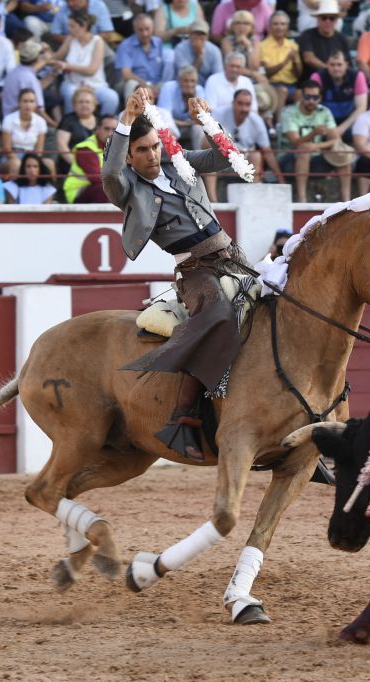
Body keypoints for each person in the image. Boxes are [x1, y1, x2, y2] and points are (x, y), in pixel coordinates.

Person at [103, 88, 245, 459]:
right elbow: (109, 170)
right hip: (196, 271)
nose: (153, 155)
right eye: (143, 151)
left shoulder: (177, 160)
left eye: (154, 146)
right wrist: (127, 120)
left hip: (233, 258)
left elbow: (225, 157)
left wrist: (208, 122)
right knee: (217, 316)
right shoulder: (127, 188)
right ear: (130, 159)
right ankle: (182, 417)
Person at [278, 79, 353, 203]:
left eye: (315, 97)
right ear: (301, 96)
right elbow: (295, 142)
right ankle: (302, 199)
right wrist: (313, 134)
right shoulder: (289, 112)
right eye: (307, 97)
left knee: (342, 154)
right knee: (304, 150)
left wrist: (316, 146)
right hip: (288, 158)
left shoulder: (324, 112)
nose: (311, 101)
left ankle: (347, 201)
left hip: (315, 155)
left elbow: (336, 140)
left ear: (320, 98)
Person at [204, 89, 283, 200]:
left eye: (247, 104)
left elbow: (267, 152)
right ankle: (213, 201)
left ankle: (255, 198)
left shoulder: (257, 121)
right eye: (240, 104)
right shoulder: (220, 114)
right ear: (233, 103)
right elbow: (205, 141)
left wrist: (281, 179)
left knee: (256, 155)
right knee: (209, 151)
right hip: (221, 157)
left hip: (243, 161)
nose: (244, 108)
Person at [52, 11, 119, 115]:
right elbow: (56, 57)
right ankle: (70, 124)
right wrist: (47, 54)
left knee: (112, 97)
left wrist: (66, 65)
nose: (69, 29)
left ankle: (102, 125)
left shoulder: (97, 41)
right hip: (73, 84)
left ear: (84, 26)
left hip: (95, 86)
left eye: (72, 26)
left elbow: (91, 70)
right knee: (70, 93)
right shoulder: (70, 39)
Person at [311, 50, 367, 143]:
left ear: (346, 65)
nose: (336, 68)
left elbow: (361, 108)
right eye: (332, 65)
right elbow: (312, 104)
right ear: (327, 65)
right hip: (325, 120)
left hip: (349, 120)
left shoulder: (357, 76)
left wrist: (341, 129)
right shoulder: (317, 77)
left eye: (339, 64)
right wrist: (330, 128)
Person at [116, 13, 174, 101]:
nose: (145, 33)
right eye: (140, 30)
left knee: (169, 85)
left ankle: (166, 112)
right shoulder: (125, 46)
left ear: (153, 28)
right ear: (134, 29)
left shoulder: (158, 43)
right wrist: (146, 85)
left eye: (147, 29)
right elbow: (126, 74)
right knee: (131, 84)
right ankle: (131, 113)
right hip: (137, 83)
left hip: (157, 84)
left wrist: (159, 85)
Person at [63, 113, 117, 202]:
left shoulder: (117, 147)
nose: (110, 133)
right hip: (79, 191)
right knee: (106, 190)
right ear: (97, 129)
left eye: (114, 129)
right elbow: (96, 178)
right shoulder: (86, 148)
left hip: (99, 188)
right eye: (106, 129)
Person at [2, 88, 53, 178]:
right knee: (16, 164)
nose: (28, 105)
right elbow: (7, 148)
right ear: (19, 103)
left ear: (35, 104)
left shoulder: (40, 121)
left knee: (49, 163)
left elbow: (39, 150)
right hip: (12, 156)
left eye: (31, 101)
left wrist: (31, 163)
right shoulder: (9, 119)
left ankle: (51, 191)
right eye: (25, 101)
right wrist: (21, 163)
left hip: (32, 156)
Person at [260, 10, 300, 116]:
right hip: (271, 85)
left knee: (300, 94)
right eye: (276, 24)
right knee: (282, 91)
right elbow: (268, 73)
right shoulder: (263, 46)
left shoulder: (293, 45)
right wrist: (286, 61)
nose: (279, 27)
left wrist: (295, 61)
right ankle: (279, 125)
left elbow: (298, 74)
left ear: (287, 26)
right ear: (269, 26)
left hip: (291, 85)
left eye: (283, 24)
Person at [298, 0, 351, 80]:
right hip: (311, 81)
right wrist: (330, 69)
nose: (327, 21)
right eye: (324, 18)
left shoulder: (342, 38)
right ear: (318, 20)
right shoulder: (307, 35)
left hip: (335, 81)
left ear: (336, 21)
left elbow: (347, 63)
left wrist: (333, 70)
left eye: (332, 18)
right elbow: (309, 59)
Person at [160, 64, 206, 149]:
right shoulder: (168, 88)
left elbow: (201, 119)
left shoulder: (199, 90)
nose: (189, 84)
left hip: (190, 128)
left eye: (192, 81)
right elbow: (164, 116)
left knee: (198, 128)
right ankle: (167, 159)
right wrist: (188, 123)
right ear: (179, 81)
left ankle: (200, 158)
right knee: (166, 127)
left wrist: (193, 98)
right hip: (173, 126)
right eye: (186, 81)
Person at [174, 19, 223, 85]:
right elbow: (186, 76)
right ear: (189, 34)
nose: (198, 37)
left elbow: (217, 76)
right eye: (195, 33)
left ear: (207, 37)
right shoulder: (180, 48)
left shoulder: (214, 51)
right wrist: (199, 57)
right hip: (185, 86)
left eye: (202, 34)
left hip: (207, 86)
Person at [220, 9, 262, 75]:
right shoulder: (226, 41)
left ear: (252, 27)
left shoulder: (255, 42)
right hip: (233, 77)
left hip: (252, 79)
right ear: (232, 26)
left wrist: (248, 46)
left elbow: (255, 67)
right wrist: (254, 74)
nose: (241, 26)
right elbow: (233, 67)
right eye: (238, 23)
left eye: (246, 24)